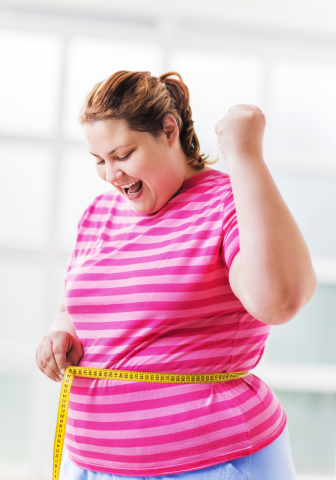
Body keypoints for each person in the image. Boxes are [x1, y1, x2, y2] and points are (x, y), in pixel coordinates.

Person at [36, 71, 317, 480]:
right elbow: (74, 305)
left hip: (211, 462)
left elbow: (278, 299)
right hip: (92, 463)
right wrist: (62, 331)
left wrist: (245, 156)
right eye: (99, 160)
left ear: (169, 130)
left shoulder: (229, 202)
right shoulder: (99, 214)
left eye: (123, 154)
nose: (111, 175)